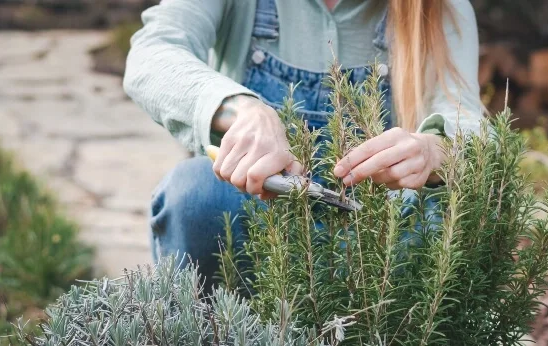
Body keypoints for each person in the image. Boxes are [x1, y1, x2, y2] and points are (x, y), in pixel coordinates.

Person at [123, 0, 482, 284]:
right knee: (195, 193)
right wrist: (241, 110)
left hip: (376, 243)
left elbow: (471, 122)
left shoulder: (441, 6)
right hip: (258, 230)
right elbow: (151, 55)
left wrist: (435, 149)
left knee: (461, 220)